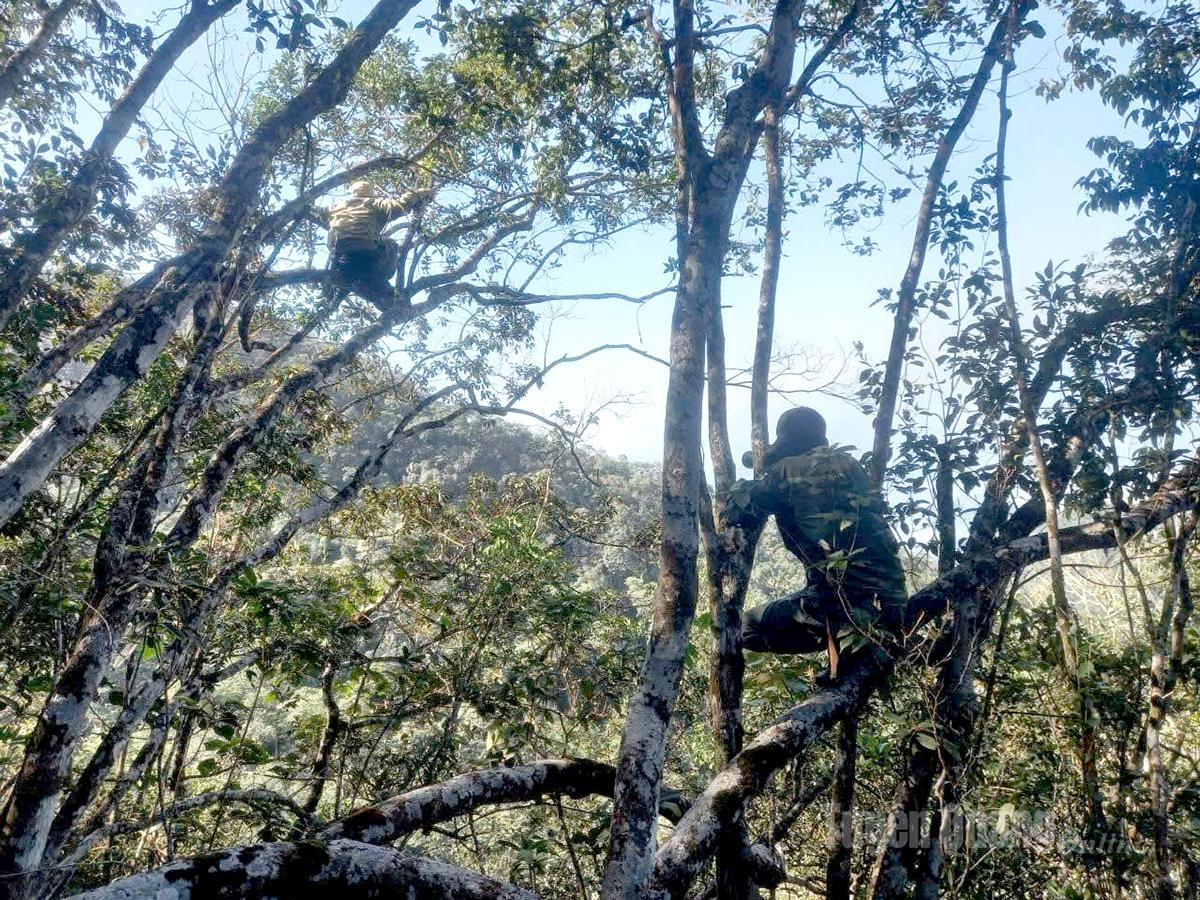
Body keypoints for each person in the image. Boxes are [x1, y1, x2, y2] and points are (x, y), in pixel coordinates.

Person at [724, 407, 906, 680]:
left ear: (785, 439)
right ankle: (852, 643)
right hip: (884, 598)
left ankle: (846, 643)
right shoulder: (850, 465)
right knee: (831, 592)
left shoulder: (785, 471)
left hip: (832, 600)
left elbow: (738, 510)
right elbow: (878, 529)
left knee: (740, 629)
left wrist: (759, 470)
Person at [324, 180, 433, 304]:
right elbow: (401, 206)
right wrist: (422, 192)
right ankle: (381, 279)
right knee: (391, 244)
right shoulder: (375, 203)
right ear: (371, 193)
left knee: (339, 240)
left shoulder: (337, 207)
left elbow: (319, 213)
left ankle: (341, 284)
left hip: (342, 259)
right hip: (369, 257)